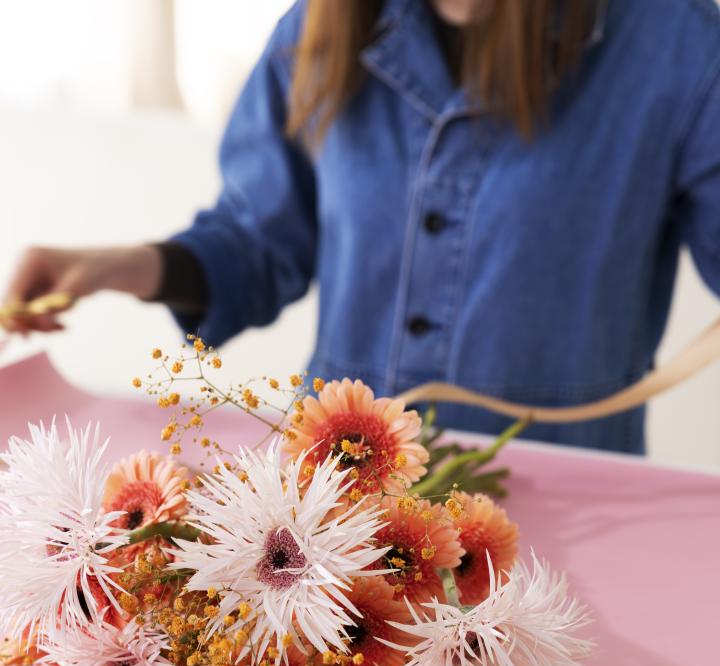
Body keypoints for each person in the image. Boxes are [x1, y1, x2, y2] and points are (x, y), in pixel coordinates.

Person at [4, 0, 720, 453]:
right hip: (328, 503)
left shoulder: (678, 46)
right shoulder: (314, 30)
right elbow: (257, 243)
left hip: (566, 509)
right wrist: (116, 267)